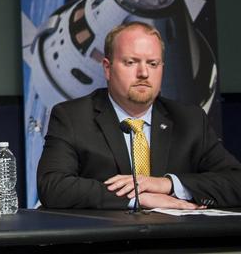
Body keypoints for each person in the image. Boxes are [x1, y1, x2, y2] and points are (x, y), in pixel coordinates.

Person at [37, 21, 241, 209]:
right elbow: (53, 187)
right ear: (107, 68)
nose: (144, 73)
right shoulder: (72, 117)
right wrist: (136, 198)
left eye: (153, 64)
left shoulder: (189, 120)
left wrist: (168, 184)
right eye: (131, 62)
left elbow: (236, 181)